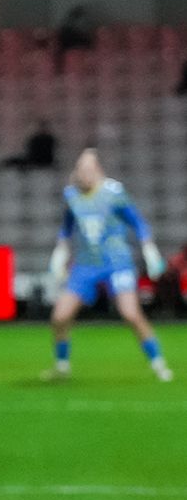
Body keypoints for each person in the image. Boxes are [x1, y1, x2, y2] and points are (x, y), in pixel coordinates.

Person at [45, 148, 171, 383]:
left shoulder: (114, 193)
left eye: (88, 169)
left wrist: (149, 248)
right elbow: (67, 226)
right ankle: (62, 366)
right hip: (86, 263)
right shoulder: (72, 195)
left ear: (98, 170)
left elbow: (137, 222)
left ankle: (158, 362)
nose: (84, 175)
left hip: (116, 261)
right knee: (60, 316)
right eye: (80, 170)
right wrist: (60, 251)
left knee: (130, 313)